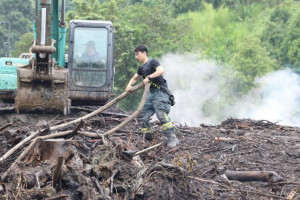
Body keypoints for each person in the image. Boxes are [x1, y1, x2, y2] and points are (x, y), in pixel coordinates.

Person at [126, 44, 179, 148]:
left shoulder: (153, 62)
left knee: (161, 115)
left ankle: (172, 138)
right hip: (151, 94)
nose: (136, 57)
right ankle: (148, 137)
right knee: (141, 116)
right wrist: (129, 85)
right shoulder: (141, 68)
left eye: (137, 54)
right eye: (135, 55)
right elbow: (134, 78)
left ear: (144, 53)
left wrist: (149, 77)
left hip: (160, 92)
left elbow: (161, 71)